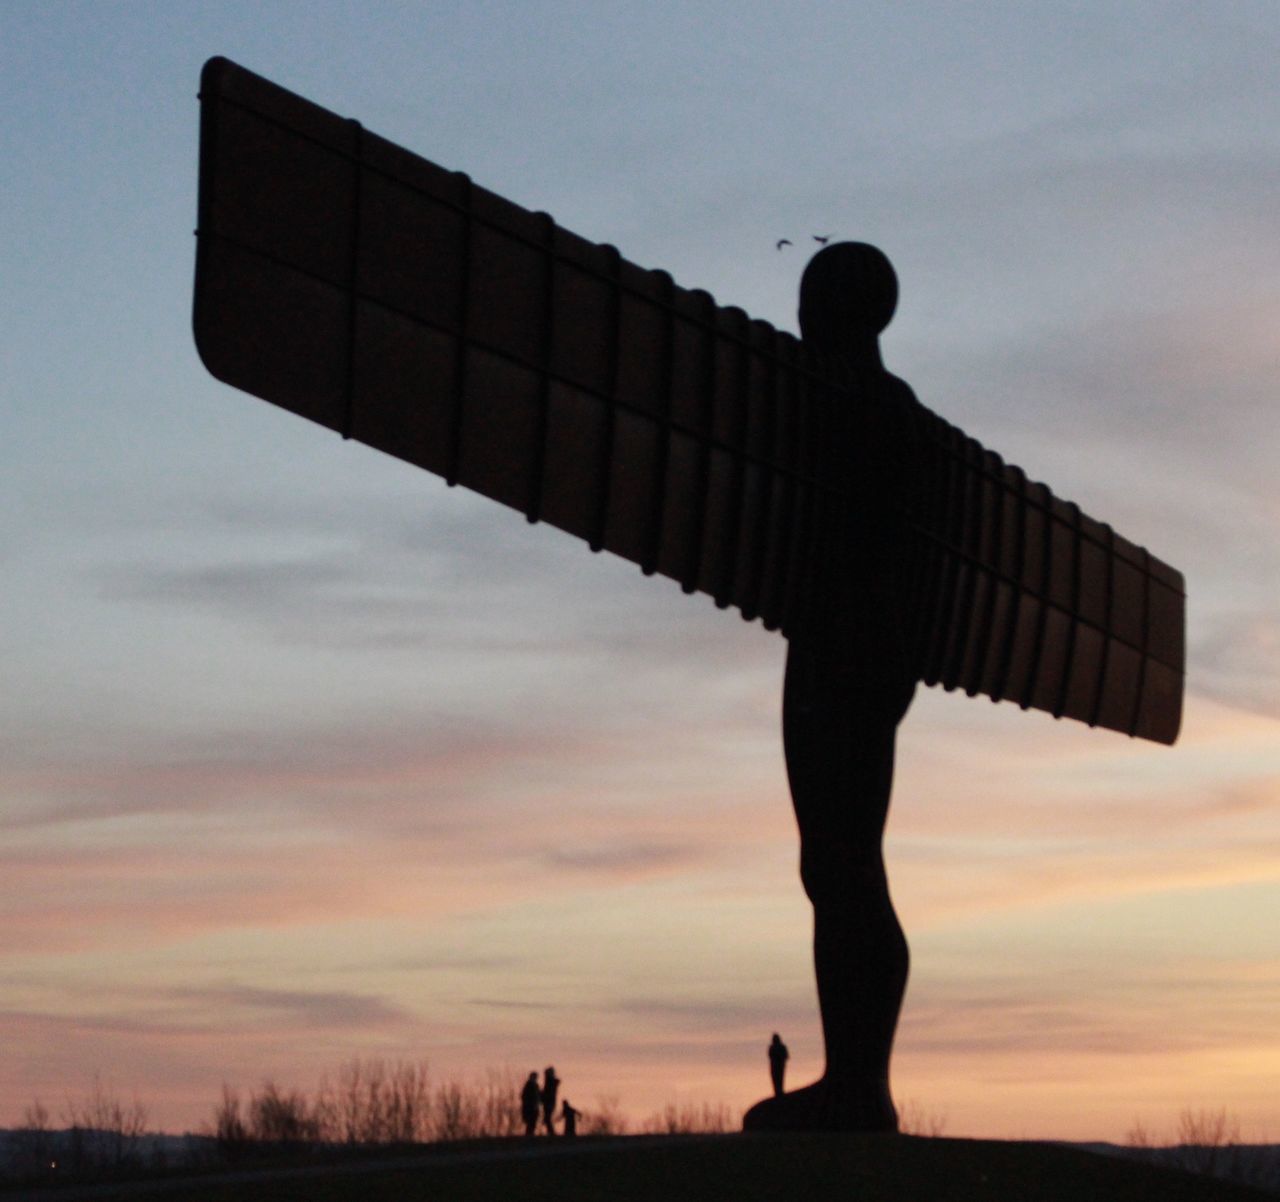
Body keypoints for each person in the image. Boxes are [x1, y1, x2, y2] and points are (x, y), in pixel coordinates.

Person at [743, 243, 921, 1134]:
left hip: (838, 646)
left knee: (841, 863)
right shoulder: (903, 412)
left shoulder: (830, 401)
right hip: (876, 653)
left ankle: (859, 1084)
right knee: (845, 862)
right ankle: (856, 1077)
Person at [540, 1066, 560, 1135]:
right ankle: (550, 1131)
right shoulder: (550, 1082)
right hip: (549, 1102)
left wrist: (542, 1095)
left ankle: (551, 1132)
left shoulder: (549, 1082)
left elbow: (548, 1093)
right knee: (547, 1117)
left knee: (547, 1118)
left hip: (549, 1102)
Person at [520, 1071, 541, 1137]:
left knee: (533, 1121)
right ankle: (529, 1135)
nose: (535, 1078)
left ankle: (530, 1134)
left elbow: (539, 1095)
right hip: (530, 1107)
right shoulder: (529, 1085)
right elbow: (524, 1096)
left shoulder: (536, 1085)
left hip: (535, 1106)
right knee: (530, 1122)